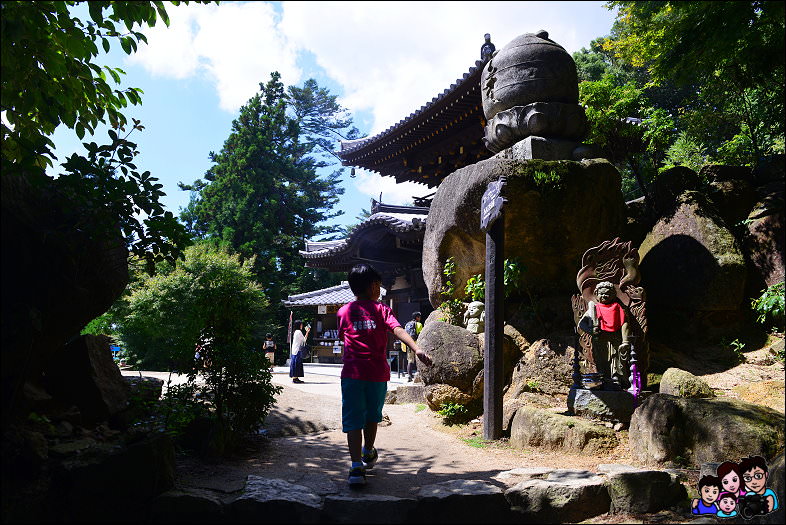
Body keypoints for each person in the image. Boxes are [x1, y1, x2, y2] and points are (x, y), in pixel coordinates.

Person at [337, 263, 432, 486]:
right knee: (369, 416)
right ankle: (363, 457)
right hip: (373, 374)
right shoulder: (380, 310)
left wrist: (415, 347)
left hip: (353, 374)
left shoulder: (344, 311)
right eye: (379, 285)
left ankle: (358, 464)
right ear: (373, 286)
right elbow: (397, 329)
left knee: (359, 418)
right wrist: (416, 347)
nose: (380, 289)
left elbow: (345, 340)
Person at [578, 281, 631, 389]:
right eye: (601, 293)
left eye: (607, 294)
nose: (604, 296)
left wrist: (625, 341)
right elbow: (582, 324)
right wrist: (591, 331)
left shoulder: (618, 308)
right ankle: (602, 379)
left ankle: (616, 379)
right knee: (602, 360)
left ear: (613, 295)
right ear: (596, 295)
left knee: (615, 359)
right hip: (600, 339)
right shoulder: (594, 309)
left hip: (615, 339)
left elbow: (624, 323)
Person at [402, 312, 423, 382]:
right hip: (416, 344)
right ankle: (420, 375)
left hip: (409, 344)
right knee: (419, 359)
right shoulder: (419, 324)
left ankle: (409, 376)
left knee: (410, 360)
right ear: (417, 317)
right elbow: (421, 335)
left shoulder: (407, 324)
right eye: (419, 317)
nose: (420, 318)